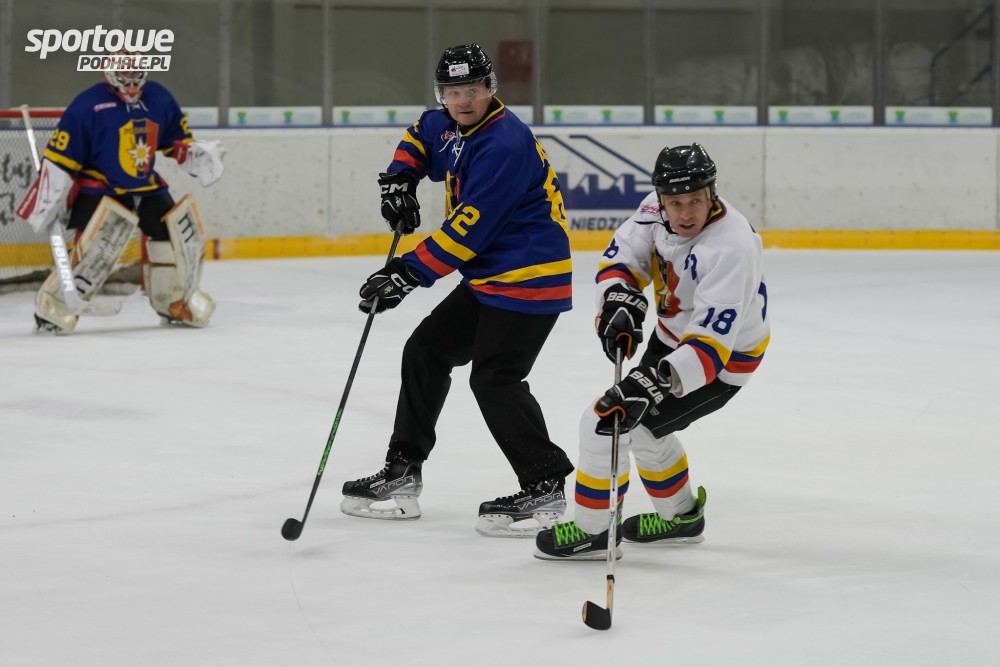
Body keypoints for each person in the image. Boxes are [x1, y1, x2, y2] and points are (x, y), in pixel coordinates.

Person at [340, 44, 575, 537]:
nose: (463, 100)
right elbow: (420, 133)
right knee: (425, 351)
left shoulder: (504, 145)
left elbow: (467, 231)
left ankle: (544, 482)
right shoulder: (448, 124)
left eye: (473, 89)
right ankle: (403, 470)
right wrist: (400, 179)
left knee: (495, 378)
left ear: (491, 89)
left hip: (530, 276)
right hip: (492, 277)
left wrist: (405, 273)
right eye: (452, 92)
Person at [534, 143, 771, 559]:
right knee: (642, 428)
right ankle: (682, 518)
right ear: (661, 200)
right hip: (671, 337)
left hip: (723, 359)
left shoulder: (732, 246)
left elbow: (711, 346)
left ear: (712, 194)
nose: (685, 212)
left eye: (695, 200)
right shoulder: (653, 209)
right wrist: (618, 298)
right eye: (675, 202)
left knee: (604, 422)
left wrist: (656, 381)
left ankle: (593, 531)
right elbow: (623, 257)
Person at [17, 53, 224, 334]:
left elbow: (175, 139)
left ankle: (174, 303)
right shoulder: (88, 105)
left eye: (135, 72)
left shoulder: (159, 98)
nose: (130, 79)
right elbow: (60, 157)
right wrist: (49, 195)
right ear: (109, 73)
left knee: (179, 237)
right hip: (101, 188)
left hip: (146, 187)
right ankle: (53, 311)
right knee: (97, 249)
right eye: (124, 73)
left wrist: (192, 154)